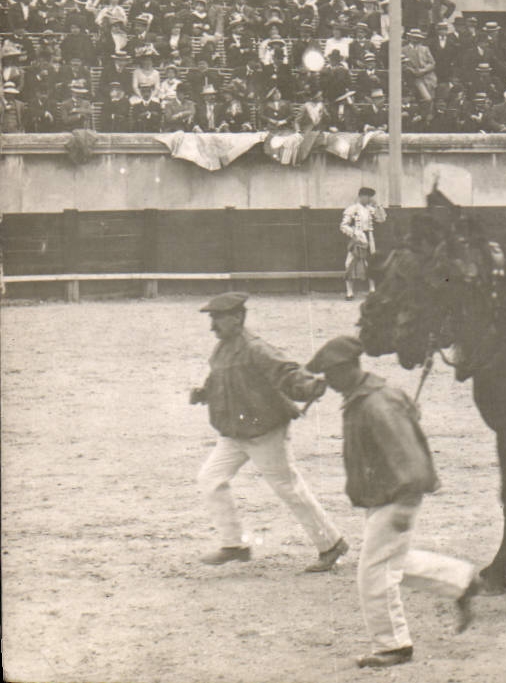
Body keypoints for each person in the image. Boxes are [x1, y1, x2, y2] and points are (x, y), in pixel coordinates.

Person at [305, 336, 479, 668]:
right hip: (387, 494)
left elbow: (409, 457)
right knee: (392, 562)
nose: (326, 381)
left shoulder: (375, 404)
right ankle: (461, 580)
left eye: (329, 374)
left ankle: (393, 645)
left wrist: (403, 503)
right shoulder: (369, 397)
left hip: (395, 497)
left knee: (373, 572)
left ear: (345, 370)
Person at [191, 293, 348, 571]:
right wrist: (205, 392)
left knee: (288, 488)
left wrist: (308, 386)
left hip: (264, 432)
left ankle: (331, 544)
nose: (212, 326)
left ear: (237, 318)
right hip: (234, 433)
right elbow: (219, 379)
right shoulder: (222, 349)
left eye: (217, 319)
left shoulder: (256, 348)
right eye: (211, 319)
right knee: (210, 478)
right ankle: (234, 545)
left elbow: (287, 372)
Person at [340, 186, 386, 301]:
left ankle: (372, 290)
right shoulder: (353, 208)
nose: (369, 199)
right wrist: (355, 233)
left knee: (371, 261)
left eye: (370, 196)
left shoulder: (371, 209)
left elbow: (382, 219)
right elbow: (343, 225)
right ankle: (349, 292)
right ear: (360, 196)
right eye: (366, 196)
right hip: (357, 238)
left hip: (369, 237)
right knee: (350, 263)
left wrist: (378, 205)